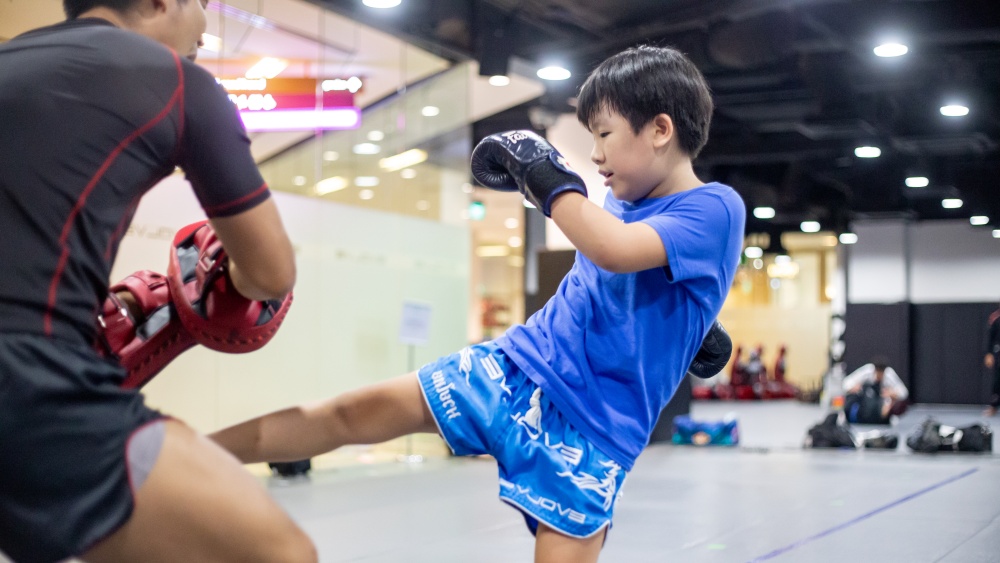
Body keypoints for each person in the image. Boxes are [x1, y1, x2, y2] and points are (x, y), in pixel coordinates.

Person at [210, 45, 746, 563]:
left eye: (604, 135)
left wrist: (544, 176)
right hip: (514, 367)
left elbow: (614, 251)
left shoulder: (716, 207)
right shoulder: (616, 203)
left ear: (659, 129)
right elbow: (622, 263)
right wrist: (688, 321)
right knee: (350, 412)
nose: (597, 155)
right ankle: (175, 453)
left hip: (592, 430)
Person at [0, 1, 316, 562]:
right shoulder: (178, 81)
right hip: (26, 380)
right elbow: (271, 273)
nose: (203, 25)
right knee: (279, 553)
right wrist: (212, 280)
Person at [842, 356, 909, 421]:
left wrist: (892, 394)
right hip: (865, 402)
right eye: (878, 373)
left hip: (883, 402)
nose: (879, 376)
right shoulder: (867, 371)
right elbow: (846, 383)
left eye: (881, 374)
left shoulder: (889, 375)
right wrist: (854, 387)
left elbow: (904, 393)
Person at [983, 304, 1000, 416]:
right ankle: (994, 406)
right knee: (997, 380)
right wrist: (989, 353)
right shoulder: (996, 317)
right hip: (998, 352)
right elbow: (991, 337)